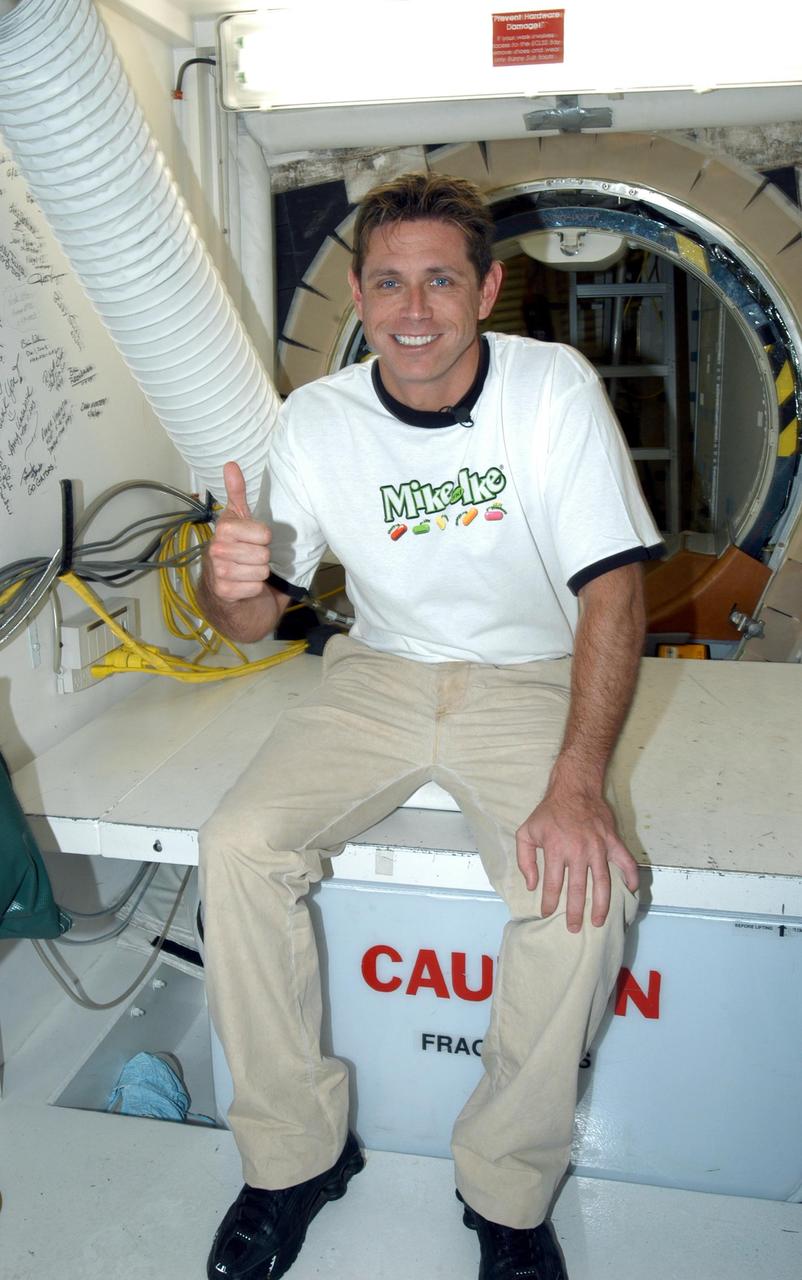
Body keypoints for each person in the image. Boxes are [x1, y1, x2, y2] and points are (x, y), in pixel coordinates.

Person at [198, 172, 663, 1280]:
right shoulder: (317, 416)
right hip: (383, 672)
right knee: (237, 846)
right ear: (357, 294)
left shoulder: (551, 387)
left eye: (442, 280)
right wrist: (232, 583)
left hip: (529, 674)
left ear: (487, 288)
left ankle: (506, 1188)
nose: (415, 309)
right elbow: (258, 622)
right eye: (391, 281)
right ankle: (292, 1159)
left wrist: (579, 779)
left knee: (581, 891)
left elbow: (612, 591)